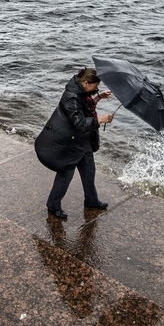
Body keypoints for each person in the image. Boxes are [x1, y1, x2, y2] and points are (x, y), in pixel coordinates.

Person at [34, 67, 114, 218]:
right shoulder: (71, 96)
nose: (96, 89)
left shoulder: (81, 92)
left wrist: (99, 98)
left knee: (89, 171)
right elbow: (80, 122)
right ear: (85, 83)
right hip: (68, 143)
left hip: (82, 140)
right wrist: (100, 120)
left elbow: (85, 108)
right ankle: (53, 205)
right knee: (65, 174)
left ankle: (92, 200)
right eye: (95, 87)